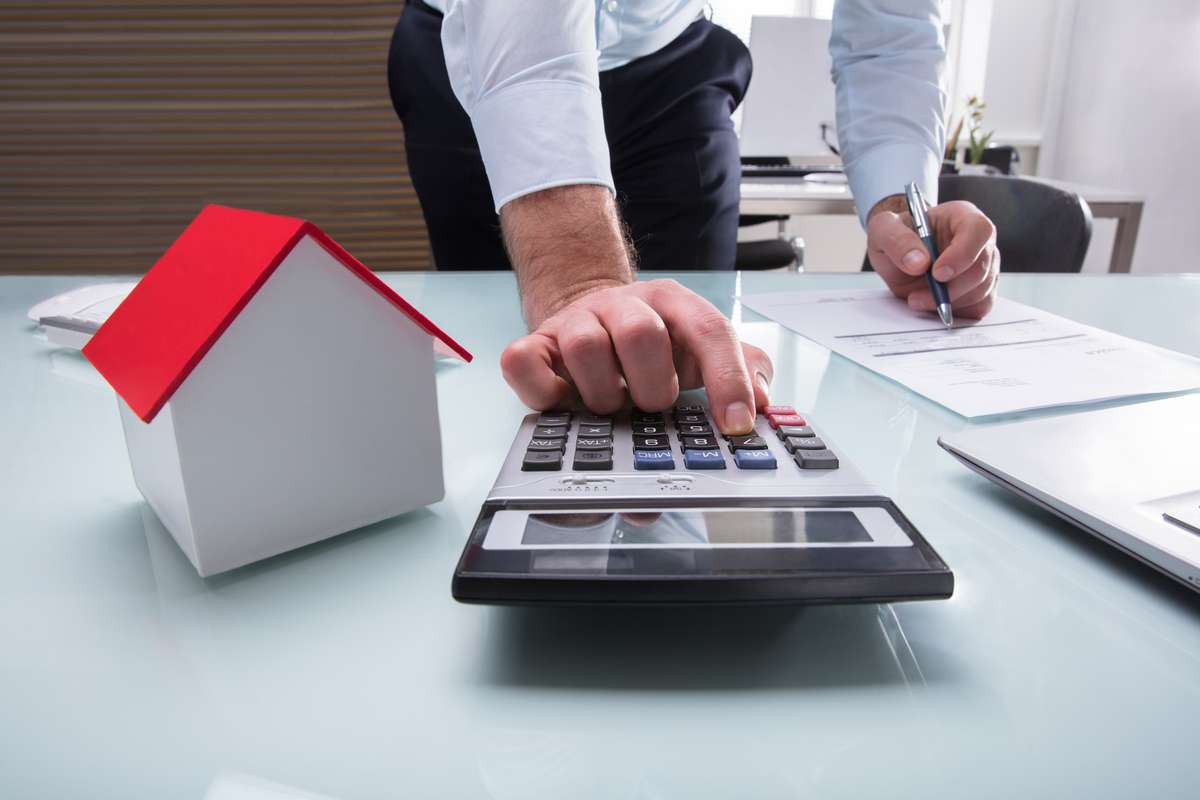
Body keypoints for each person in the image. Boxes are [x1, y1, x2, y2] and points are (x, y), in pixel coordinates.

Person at [387, 1, 1000, 435]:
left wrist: (900, 205)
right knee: (515, 355)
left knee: (686, 370)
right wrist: (577, 280)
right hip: (478, 41)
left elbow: (887, 34)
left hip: (667, 56)